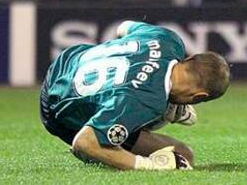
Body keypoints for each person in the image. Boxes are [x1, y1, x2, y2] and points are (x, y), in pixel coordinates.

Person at [40, 19, 230, 171]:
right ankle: (169, 109)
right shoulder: (147, 101)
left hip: (68, 61)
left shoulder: (168, 39)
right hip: (57, 107)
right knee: (183, 154)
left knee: (147, 106)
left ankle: (171, 108)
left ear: (188, 58)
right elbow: (84, 142)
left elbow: (123, 27)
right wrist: (146, 165)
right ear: (198, 96)